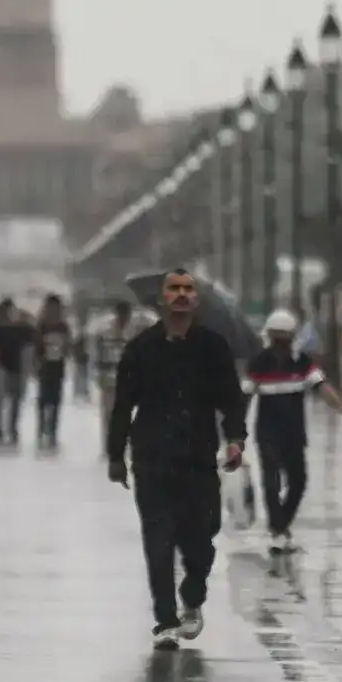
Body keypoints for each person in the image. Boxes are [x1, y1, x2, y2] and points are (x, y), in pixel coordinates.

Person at [107, 268, 247, 651]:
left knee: (201, 538)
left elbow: (231, 399)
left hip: (198, 457)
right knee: (158, 539)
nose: (182, 295)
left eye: (188, 289)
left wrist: (236, 439)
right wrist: (115, 455)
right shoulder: (140, 350)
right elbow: (122, 406)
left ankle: (193, 591)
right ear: (161, 299)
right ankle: (165, 620)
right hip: (153, 458)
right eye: (175, 289)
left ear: (196, 300)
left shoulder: (213, 348)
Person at [245, 308, 342, 555]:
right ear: (270, 336)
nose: (281, 341)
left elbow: (321, 386)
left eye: (285, 336)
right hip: (267, 432)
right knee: (271, 482)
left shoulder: (303, 363)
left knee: (298, 481)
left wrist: (340, 406)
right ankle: (277, 531)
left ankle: (281, 526)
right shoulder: (259, 362)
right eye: (277, 336)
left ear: (292, 337)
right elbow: (245, 395)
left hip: (293, 433)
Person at [0, 299, 35, 444]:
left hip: (17, 369)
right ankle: (0, 427)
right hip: (2, 368)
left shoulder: (24, 329)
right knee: (0, 399)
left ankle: (12, 428)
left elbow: (29, 349)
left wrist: (28, 369)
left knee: (15, 400)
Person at [95, 301, 136, 456]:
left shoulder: (133, 333)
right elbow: (98, 355)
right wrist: (99, 375)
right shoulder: (105, 332)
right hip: (108, 379)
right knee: (107, 414)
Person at [34, 295, 71, 447]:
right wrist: (35, 363)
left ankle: (53, 432)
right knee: (43, 400)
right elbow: (36, 347)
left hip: (58, 367)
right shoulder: (41, 326)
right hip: (44, 367)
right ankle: (42, 429)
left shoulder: (63, 326)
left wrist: (65, 350)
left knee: (55, 401)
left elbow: (68, 346)